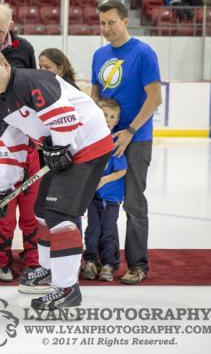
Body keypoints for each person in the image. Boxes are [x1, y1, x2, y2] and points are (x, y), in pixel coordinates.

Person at [0, 46, 114, 310]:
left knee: (60, 215)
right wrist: (0, 193)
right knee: (41, 210)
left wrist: (60, 145)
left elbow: (61, 112)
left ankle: (67, 289)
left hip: (87, 144)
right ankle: (51, 269)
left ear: (4, 64)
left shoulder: (32, 80)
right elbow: (9, 149)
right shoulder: (2, 105)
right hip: (62, 150)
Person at [91, 1, 163, 285]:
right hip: (103, 140)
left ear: (125, 21)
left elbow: (155, 98)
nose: (106, 28)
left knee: (133, 204)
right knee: (98, 203)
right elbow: (94, 98)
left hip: (136, 139)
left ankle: (137, 264)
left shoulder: (143, 53)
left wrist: (130, 130)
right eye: (102, 23)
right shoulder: (99, 55)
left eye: (111, 22)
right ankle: (99, 258)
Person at [80, 97, 128, 282]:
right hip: (93, 197)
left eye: (112, 116)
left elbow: (122, 170)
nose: (108, 119)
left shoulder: (114, 142)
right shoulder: (90, 141)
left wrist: (103, 180)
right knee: (92, 230)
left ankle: (108, 264)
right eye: (104, 115)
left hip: (111, 198)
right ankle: (90, 261)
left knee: (108, 232)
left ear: (116, 121)